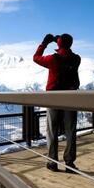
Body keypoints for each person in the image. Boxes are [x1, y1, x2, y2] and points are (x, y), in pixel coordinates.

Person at [33, 33, 81, 173]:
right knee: (70, 131)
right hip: (71, 98)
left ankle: (52, 162)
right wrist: (59, 42)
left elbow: (36, 58)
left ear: (59, 43)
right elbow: (66, 50)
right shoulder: (76, 59)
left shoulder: (53, 59)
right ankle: (69, 163)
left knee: (52, 130)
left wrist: (45, 43)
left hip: (54, 97)